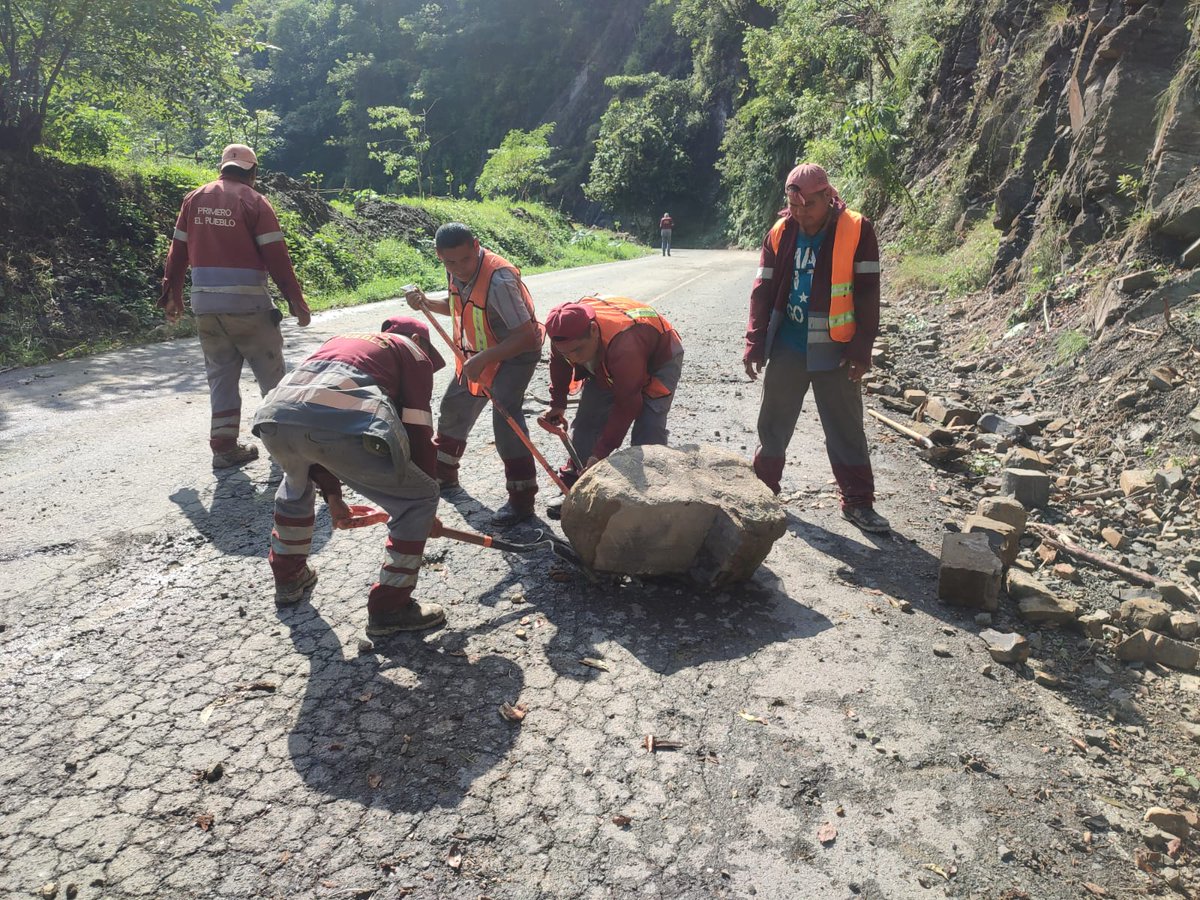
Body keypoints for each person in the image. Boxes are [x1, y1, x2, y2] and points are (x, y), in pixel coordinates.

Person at [251, 316, 446, 637]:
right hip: (329, 422)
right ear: (418, 339)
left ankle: (288, 577)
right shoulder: (413, 350)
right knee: (419, 498)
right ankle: (390, 607)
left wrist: (334, 496)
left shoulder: (343, 342)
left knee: (295, 485)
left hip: (274, 419)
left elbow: (312, 427)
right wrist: (425, 506)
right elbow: (418, 430)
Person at [743, 163, 889, 533]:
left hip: (836, 350)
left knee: (845, 428)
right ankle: (763, 492)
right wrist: (755, 341)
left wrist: (861, 349)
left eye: (809, 205)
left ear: (828, 196)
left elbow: (868, 292)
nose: (802, 213)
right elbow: (762, 291)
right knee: (772, 424)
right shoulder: (780, 232)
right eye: (795, 206)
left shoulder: (857, 229)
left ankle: (858, 502)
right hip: (788, 346)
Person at [158, 143, 312, 468]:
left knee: (221, 377)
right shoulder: (255, 201)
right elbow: (277, 258)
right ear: (253, 172)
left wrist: (172, 294)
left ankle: (224, 447)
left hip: (206, 308)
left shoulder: (193, 199)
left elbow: (177, 252)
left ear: (222, 168)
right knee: (272, 377)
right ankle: (285, 448)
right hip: (249, 308)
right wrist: (295, 300)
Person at [405, 223, 544, 526]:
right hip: (479, 354)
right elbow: (458, 305)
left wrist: (483, 359)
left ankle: (522, 499)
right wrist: (426, 303)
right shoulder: (454, 269)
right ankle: (444, 474)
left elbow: (526, 337)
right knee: (454, 404)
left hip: (516, 354)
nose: (459, 269)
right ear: (439, 255)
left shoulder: (499, 280)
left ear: (476, 246)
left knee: (505, 417)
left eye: (465, 260)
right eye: (450, 262)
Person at [542, 296, 684, 518]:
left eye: (577, 351)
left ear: (593, 330)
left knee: (649, 428)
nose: (573, 359)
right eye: (566, 353)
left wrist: (600, 453)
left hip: (659, 357)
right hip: (605, 358)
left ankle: (652, 497)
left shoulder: (624, 345)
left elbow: (628, 405)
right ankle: (575, 484)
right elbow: (560, 363)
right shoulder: (564, 333)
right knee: (587, 420)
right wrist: (558, 403)